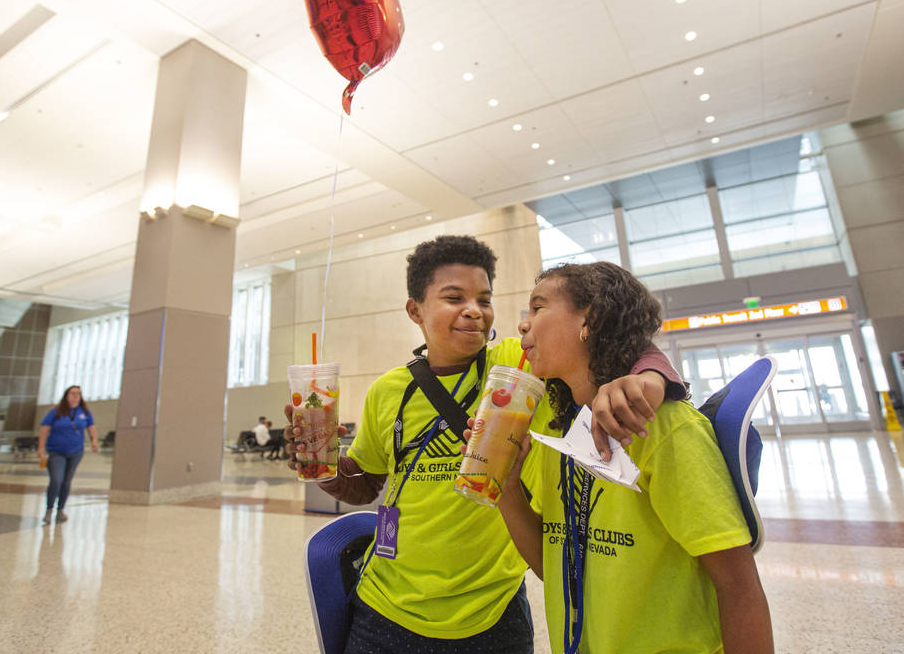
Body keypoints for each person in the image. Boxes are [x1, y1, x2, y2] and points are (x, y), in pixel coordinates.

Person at [284, 235, 686, 652]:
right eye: (454, 297)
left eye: (484, 298)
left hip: (492, 612)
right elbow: (367, 484)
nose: (474, 310)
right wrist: (324, 467)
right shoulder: (388, 391)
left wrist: (651, 377)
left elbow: (619, 339)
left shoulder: (516, 360)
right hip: (386, 606)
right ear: (415, 310)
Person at [493, 262, 773, 653]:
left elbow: (738, 586)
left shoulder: (664, 427)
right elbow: (554, 565)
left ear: (589, 319)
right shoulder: (560, 429)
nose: (523, 325)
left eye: (537, 308)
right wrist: (506, 488)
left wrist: (654, 375)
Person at [38, 385, 98, 525]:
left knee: (66, 481)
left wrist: (94, 440)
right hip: (56, 451)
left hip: (76, 451)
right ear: (66, 395)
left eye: (78, 393)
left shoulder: (84, 412)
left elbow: (91, 426)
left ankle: (60, 510)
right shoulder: (55, 412)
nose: (76, 396)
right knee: (56, 480)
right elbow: (44, 429)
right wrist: (41, 447)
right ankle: (49, 509)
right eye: (72, 393)